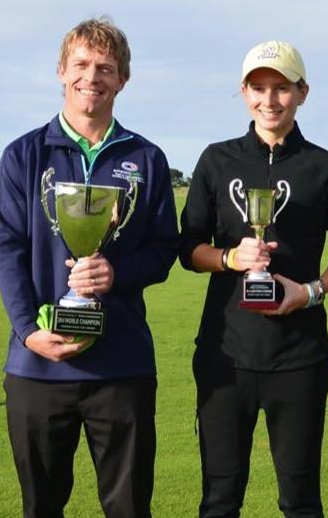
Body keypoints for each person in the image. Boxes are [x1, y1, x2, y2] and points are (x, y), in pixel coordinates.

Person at [0, 18, 178, 518]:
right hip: (37, 365)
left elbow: (165, 249)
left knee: (127, 509)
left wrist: (116, 273)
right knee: (40, 508)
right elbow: (7, 247)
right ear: (61, 71)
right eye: (81, 64)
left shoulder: (147, 158)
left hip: (121, 368)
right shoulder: (23, 155)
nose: (91, 77)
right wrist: (27, 331)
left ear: (123, 79)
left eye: (106, 67)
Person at [180, 40, 328, 518]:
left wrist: (311, 292)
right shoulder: (217, 160)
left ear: (303, 92)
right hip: (224, 356)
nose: (269, 99)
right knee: (219, 500)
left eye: (281, 88)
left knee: (300, 502)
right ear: (243, 92)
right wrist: (229, 259)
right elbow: (188, 249)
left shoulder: (327, 168)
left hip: (299, 359)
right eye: (258, 88)